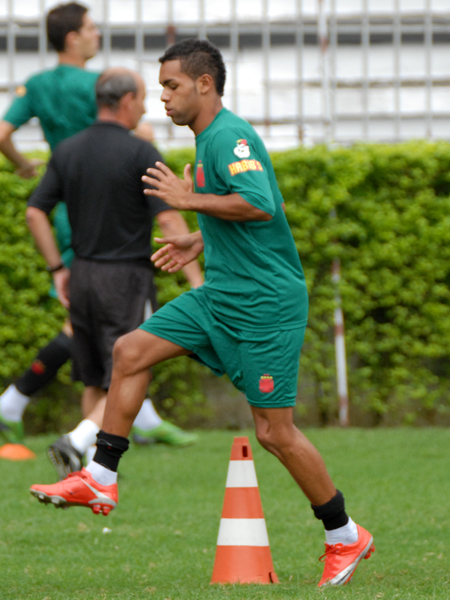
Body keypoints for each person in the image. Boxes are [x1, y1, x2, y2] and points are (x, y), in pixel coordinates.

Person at [30, 39, 374, 587]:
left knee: (274, 433)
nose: (163, 97)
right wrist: (200, 236)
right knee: (130, 350)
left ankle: (344, 534)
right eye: (160, 87)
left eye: (172, 86)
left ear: (205, 84)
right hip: (220, 295)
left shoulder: (229, 136)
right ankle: (100, 476)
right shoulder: (209, 139)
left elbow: (259, 203)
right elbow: (270, 201)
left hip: (263, 303)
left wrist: (189, 202)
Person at [0, 2, 197, 452]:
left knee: (88, 330)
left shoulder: (37, 85)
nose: (97, 34)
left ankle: (122, 425)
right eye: (91, 28)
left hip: (68, 212)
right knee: (124, 333)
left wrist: (24, 167)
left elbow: (3, 135)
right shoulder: (101, 86)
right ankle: (39, 412)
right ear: (73, 37)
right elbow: (141, 143)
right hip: (114, 214)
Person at [26, 67, 203, 479]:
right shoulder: (141, 152)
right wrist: (197, 281)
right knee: (131, 371)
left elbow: (35, 213)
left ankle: (87, 476)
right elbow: (169, 221)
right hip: (125, 280)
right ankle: (77, 441)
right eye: (142, 98)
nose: (146, 106)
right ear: (126, 101)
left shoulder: (67, 149)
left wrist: (58, 269)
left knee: (94, 378)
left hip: (82, 275)